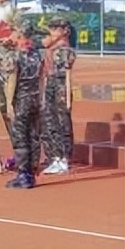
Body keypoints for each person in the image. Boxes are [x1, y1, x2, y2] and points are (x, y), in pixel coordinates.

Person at [5, 27, 44, 189]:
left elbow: (12, 80)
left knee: (20, 137)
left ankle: (23, 175)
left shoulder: (16, 57)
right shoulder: (36, 55)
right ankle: (32, 171)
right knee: (34, 136)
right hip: (36, 99)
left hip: (21, 100)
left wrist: (9, 102)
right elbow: (42, 78)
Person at [40, 16, 75, 176]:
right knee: (49, 122)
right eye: (52, 28)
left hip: (60, 88)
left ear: (64, 32)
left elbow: (67, 75)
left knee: (63, 124)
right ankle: (56, 156)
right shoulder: (51, 49)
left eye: (56, 29)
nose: (53, 32)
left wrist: (67, 96)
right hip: (50, 86)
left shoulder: (64, 50)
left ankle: (64, 159)